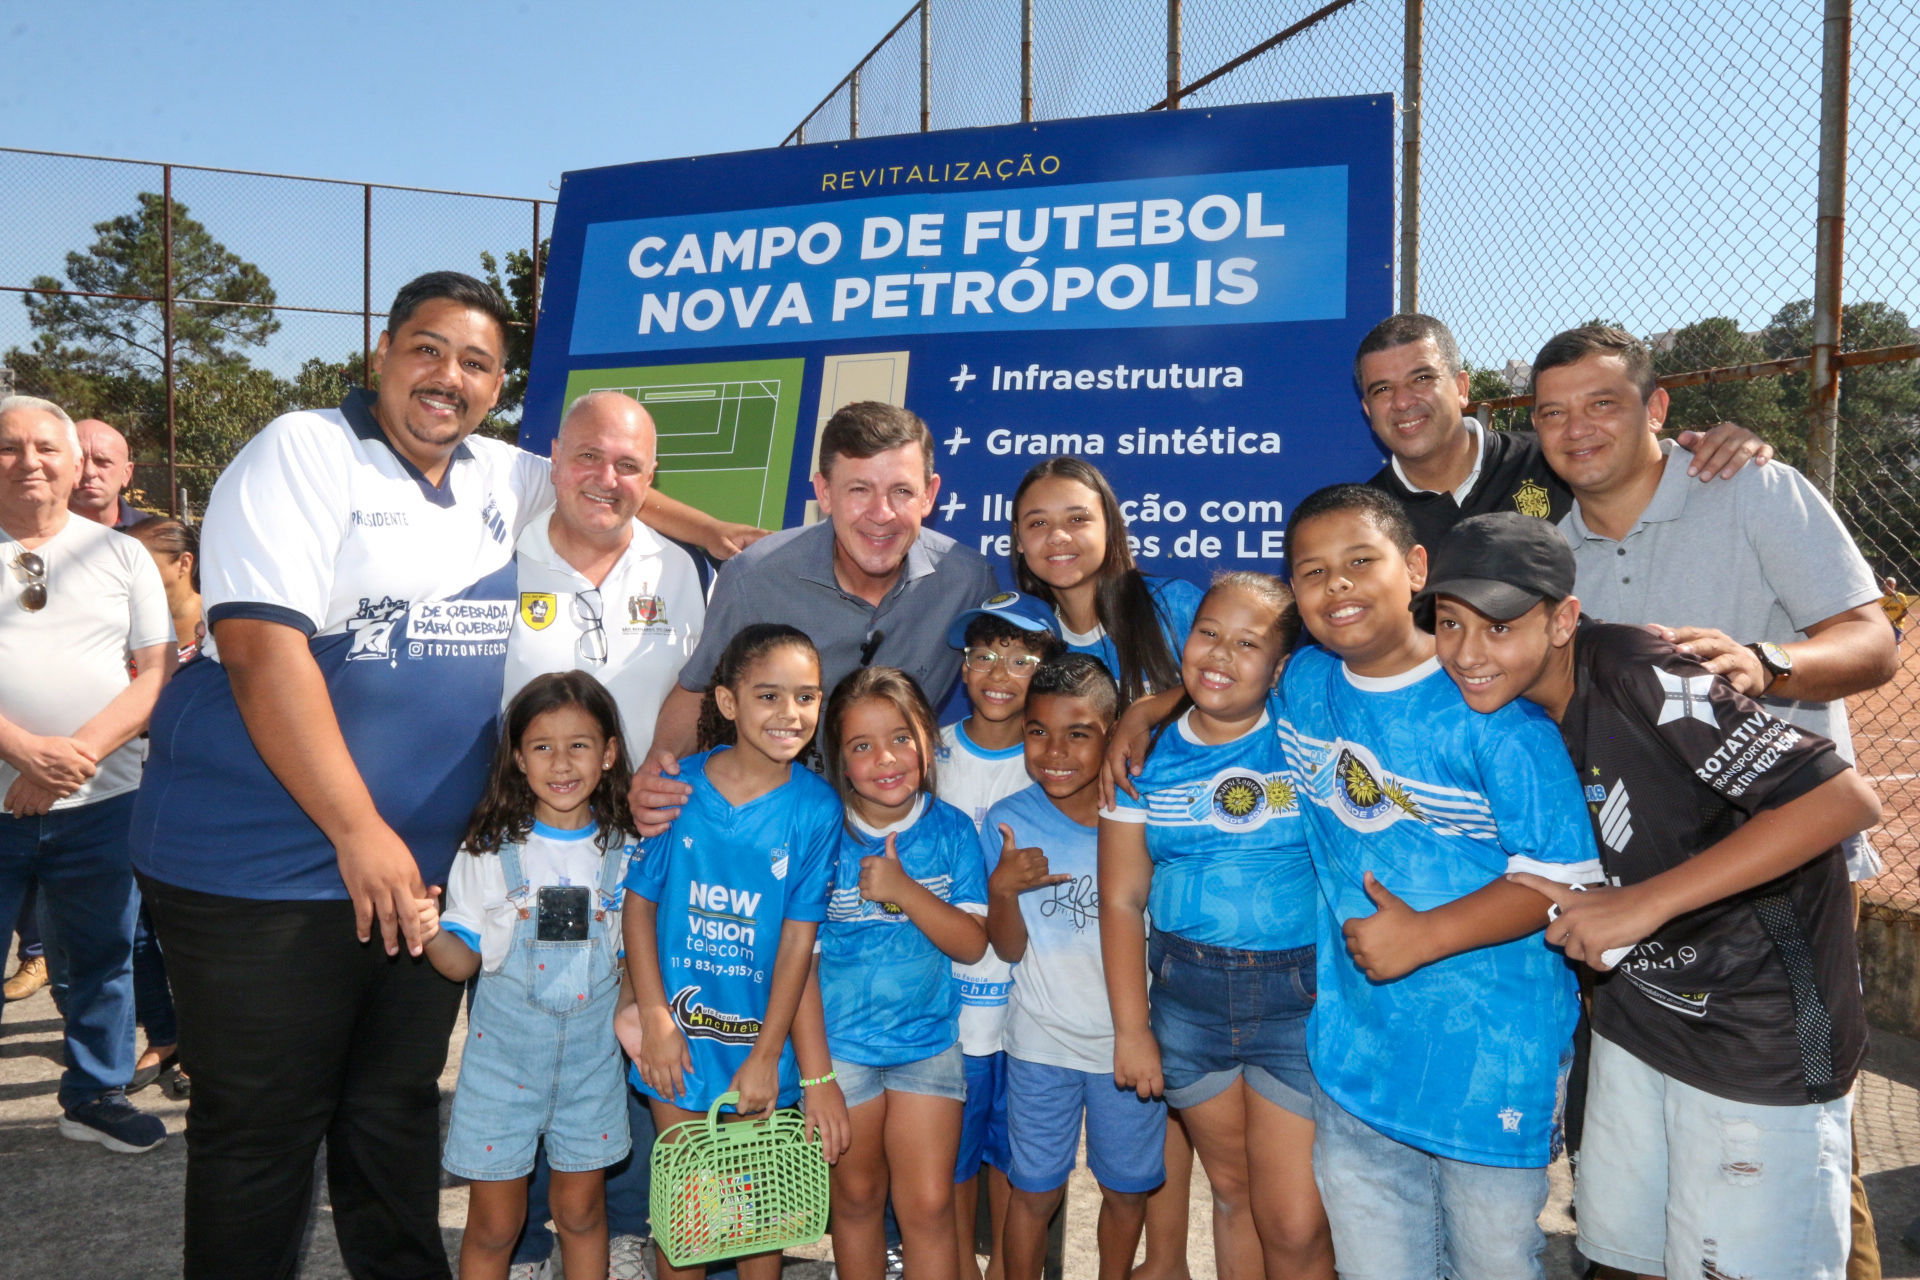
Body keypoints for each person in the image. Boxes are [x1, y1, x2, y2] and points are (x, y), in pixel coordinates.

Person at [1420, 512, 1881, 1280]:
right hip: (1641, 1030)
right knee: (1618, 1258)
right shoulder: (1508, 703)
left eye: (1499, 626)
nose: (1468, 653)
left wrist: (1645, 903)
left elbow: (1842, 803)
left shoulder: (1640, 669)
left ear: (1564, 618)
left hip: (1757, 1041)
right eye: (1449, 624)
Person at [1282, 485, 1599, 1277]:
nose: (1338, 587)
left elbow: (1562, 881)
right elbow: (1219, 687)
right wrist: (1151, 713)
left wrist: (1425, 934)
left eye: (1361, 562)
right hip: (1357, 1058)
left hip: (1490, 1063)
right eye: (1312, 572)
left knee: (1493, 1263)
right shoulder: (1300, 684)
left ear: (1416, 568)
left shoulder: (1495, 712)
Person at [503, 385, 705, 1280]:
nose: (606, 477)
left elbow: (693, 702)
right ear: (555, 456)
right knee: (540, 1021)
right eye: (589, 456)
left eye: (629, 465)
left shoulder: (676, 570)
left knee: (624, 1022)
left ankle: (618, 1228)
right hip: (530, 848)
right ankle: (536, 1234)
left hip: (640, 846)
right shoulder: (497, 553)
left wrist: (660, 776)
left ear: (652, 478)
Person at [1102, 573, 1332, 1280]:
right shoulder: (1143, 758)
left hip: (1298, 1000)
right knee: (1232, 1196)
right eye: (1208, 633)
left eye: (1247, 643)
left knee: (1293, 1218)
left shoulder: (1307, 731)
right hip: (1185, 1003)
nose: (1220, 655)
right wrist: (1132, 1030)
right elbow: (1120, 901)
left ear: (1281, 666)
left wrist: (1144, 705)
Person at [631, 402, 997, 831]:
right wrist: (658, 770)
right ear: (824, 492)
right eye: (859, 490)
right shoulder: (754, 579)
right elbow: (698, 690)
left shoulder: (967, 582)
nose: (881, 514)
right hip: (773, 823)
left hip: (894, 828)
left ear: (929, 495)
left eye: (901, 491)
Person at [625, 622, 848, 1280]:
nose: (790, 714)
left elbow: (797, 945)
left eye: (806, 697)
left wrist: (768, 1056)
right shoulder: (679, 788)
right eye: (769, 696)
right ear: (728, 702)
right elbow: (639, 909)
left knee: (759, 1221)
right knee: (687, 1220)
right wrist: (657, 1018)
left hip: (759, 1050)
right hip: (680, 1047)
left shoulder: (816, 808)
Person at [420, 672, 640, 1280]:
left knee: (583, 1212)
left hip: (592, 1071)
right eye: (543, 746)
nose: (562, 762)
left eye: (580, 744)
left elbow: (634, 961)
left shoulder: (629, 848)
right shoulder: (489, 848)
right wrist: (426, 927)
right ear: (518, 758)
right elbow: (460, 960)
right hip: (501, 1072)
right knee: (494, 1224)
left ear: (610, 752)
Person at [0, 394, 175, 1152]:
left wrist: (69, 762)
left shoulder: (123, 555)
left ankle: (94, 1094)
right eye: (9, 447)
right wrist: (20, 750)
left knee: (103, 956)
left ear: (78, 464)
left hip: (103, 802)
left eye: (46, 446)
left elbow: (155, 672)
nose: (29, 461)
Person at [985, 654, 1166, 1280]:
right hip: (1041, 1043)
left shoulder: (1146, 814)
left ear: (1113, 732)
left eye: (1079, 733)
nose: (1054, 751)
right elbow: (1007, 948)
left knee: (1126, 1190)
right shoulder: (1008, 820)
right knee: (1033, 1191)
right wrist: (1003, 891)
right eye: (1038, 732)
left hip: (1131, 1047)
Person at [819, 666, 992, 1280]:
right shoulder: (824, 837)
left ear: (927, 739)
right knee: (858, 1201)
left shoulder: (952, 830)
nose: (884, 759)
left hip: (927, 1047)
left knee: (929, 1205)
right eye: (861, 746)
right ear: (837, 760)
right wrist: (816, 1075)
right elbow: (800, 961)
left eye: (899, 737)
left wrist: (902, 890)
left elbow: (972, 944)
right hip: (843, 1055)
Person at [1354, 313, 1773, 551]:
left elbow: (1644, 464)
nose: (1404, 401)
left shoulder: (1565, 457)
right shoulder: (1364, 520)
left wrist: (1724, 450)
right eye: (1383, 389)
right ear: (1367, 409)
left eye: (1422, 378)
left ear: (1462, 388)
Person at [936, 591, 1066, 1280]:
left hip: (1029, 1006)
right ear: (962, 667)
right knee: (951, 1158)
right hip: (948, 1009)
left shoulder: (1057, 762)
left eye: (1021, 658)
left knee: (1019, 1158)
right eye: (984, 654)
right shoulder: (927, 753)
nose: (998, 671)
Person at [1011, 457, 1201, 708]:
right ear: (1019, 539)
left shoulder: (1174, 604)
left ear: (1110, 527)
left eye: (1077, 519)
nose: (1057, 536)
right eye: (1038, 523)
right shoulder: (1027, 640)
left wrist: (1146, 713)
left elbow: (1243, 692)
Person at [124, 516, 201, 1099]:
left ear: (183, 564)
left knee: (195, 936)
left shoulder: (222, 622)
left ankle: (207, 1044)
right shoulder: (124, 627)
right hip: (129, 791)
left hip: (198, 801)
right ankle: (166, 1035)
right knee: (138, 933)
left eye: (144, 561)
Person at [70, 418, 148, 530]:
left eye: (102, 461)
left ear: (126, 474)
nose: (89, 472)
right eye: (77, 461)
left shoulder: (154, 537)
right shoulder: (37, 533)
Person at [1882, 575, 1912, 645]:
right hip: (1885, 624)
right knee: (1884, 642)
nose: (1889, 585)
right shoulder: (1881, 597)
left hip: (1897, 624)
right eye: (1887, 583)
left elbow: (1905, 610)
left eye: (1891, 583)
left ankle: (1895, 655)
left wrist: (1896, 620)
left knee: (1895, 642)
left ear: (1895, 585)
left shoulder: (1900, 596)